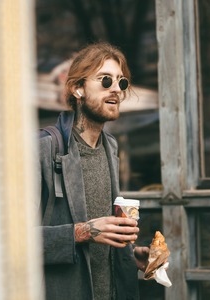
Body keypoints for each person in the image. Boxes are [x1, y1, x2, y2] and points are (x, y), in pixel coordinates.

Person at [38, 42, 150, 300]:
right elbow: (14, 241)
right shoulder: (44, 149)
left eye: (121, 83)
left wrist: (131, 257)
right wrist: (83, 232)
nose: (116, 89)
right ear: (77, 88)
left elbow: (101, 243)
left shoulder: (110, 147)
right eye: (105, 80)